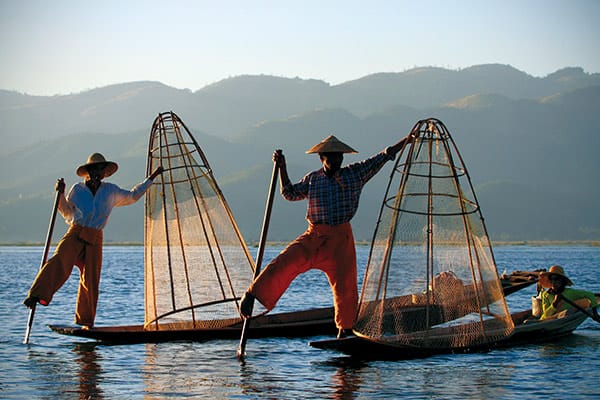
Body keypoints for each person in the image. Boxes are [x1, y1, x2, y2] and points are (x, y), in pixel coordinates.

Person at [240, 133, 416, 338]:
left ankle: (345, 330)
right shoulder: (313, 179)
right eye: (330, 157)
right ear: (321, 157)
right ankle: (253, 294)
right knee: (284, 262)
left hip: (340, 240)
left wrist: (407, 140)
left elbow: (384, 156)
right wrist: (282, 167)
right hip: (314, 236)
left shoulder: (354, 174)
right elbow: (289, 193)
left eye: (338, 157)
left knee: (346, 288)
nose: (334, 161)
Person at [23, 153, 163, 327]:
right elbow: (66, 211)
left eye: (101, 170)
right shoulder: (78, 190)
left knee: (91, 279)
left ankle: (86, 321)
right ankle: (37, 295)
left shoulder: (110, 191)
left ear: (105, 173)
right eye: (94, 169)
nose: (98, 173)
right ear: (88, 172)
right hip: (76, 232)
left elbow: (133, 196)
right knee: (60, 260)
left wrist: (152, 178)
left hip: (95, 237)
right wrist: (60, 193)